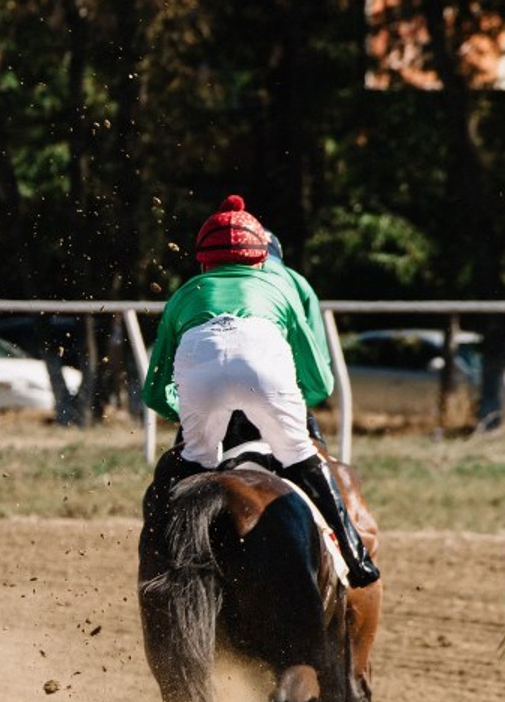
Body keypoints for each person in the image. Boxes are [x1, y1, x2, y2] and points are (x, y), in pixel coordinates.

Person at [139, 194, 380, 587]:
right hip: (269, 380)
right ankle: (355, 558)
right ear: (261, 258)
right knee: (303, 456)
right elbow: (319, 381)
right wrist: (293, 405)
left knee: (189, 467)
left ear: (203, 260)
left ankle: (160, 564)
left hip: (201, 386)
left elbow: (153, 392)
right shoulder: (287, 288)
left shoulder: (184, 293)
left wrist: (185, 410)